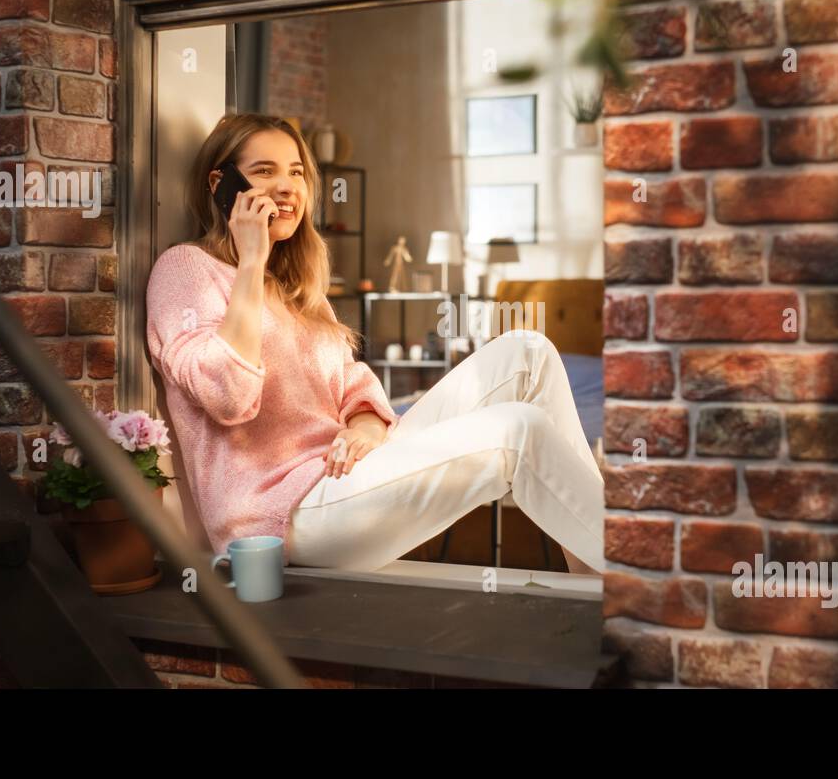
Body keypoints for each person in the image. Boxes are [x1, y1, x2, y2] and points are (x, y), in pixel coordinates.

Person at [145, 113, 603, 575]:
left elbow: (353, 387)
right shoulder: (185, 269)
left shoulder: (299, 290)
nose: (287, 187)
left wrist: (365, 427)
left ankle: (599, 585)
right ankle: (640, 590)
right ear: (222, 185)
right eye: (265, 171)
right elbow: (228, 397)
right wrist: (249, 262)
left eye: (297, 172)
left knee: (528, 351)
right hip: (283, 512)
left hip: (347, 474)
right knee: (517, 429)